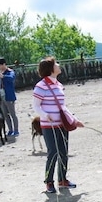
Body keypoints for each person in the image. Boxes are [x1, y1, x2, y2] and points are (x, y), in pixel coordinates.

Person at [32, 56, 83, 194]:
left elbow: (63, 107)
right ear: (50, 69)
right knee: (53, 153)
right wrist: (44, 115)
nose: (58, 65)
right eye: (55, 64)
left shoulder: (59, 85)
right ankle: (49, 182)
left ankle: (62, 180)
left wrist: (74, 120)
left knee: (63, 152)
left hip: (62, 124)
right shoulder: (40, 86)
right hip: (49, 126)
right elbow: (35, 106)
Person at [0, 58, 19, 137]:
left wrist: (3, 76)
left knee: (13, 114)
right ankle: (10, 130)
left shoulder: (10, 72)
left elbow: (11, 78)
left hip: (9, 97)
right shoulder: (0, 74)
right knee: (5, 115)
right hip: (1, 98)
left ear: (3, 64)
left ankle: (16, 130)